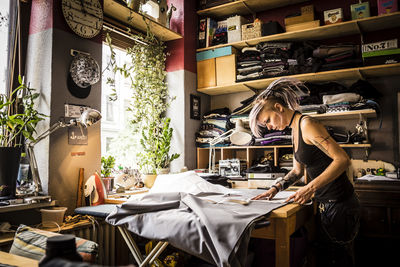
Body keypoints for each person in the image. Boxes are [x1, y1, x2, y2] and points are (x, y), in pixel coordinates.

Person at [249, 77, 360, 267]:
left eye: (267, 121)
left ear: (278, 108)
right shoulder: (294, 129)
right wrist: (275, 189)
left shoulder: (307, 124)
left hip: (340, 205)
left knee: (340, 260)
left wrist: (309, 188)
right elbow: (297, 170)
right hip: (326, 204)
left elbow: (342, 160)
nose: (269, 127)